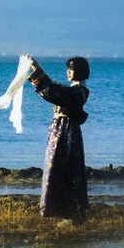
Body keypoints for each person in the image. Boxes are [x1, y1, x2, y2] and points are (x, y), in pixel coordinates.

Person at [26, 55, 90, 221]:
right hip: (61, 132)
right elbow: (55, 90)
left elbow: (54, 92)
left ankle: (68, 212)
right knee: (59, 168)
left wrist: (37, 70)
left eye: (71, 69)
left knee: (63, 168)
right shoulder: (74, 90)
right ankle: (65, 211)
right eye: (68, 69)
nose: (68, 72)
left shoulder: (79, 92)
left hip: (66, 134)